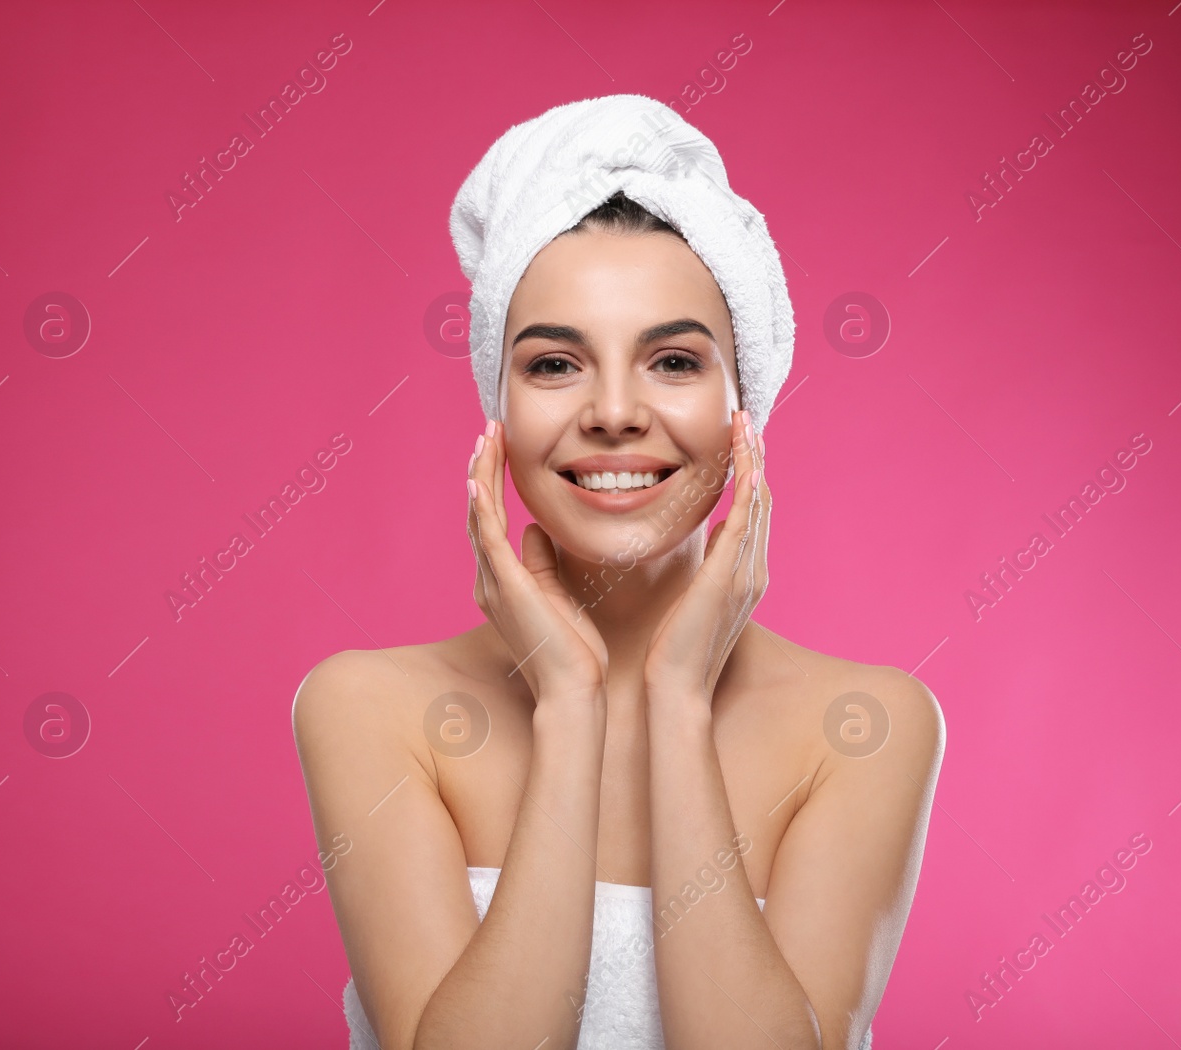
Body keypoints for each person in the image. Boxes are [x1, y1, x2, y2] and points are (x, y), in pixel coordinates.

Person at [292, 94, 945, 1050]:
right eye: (555, 365)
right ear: (499, 409)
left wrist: (678, 697)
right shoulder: (365, 707)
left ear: (742, 405)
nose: (612, 413)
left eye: (672, 361)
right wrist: (568, 700)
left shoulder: (868, 730)